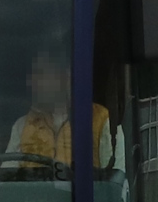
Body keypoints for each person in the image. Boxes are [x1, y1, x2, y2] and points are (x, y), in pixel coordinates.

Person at [6, 46, 111, 176]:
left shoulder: (100, 119)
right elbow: (7, 177)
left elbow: (114, 178)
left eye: (41, 74)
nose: (34, 82)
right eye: (32, 76)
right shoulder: (22, 125)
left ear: (64, 76)